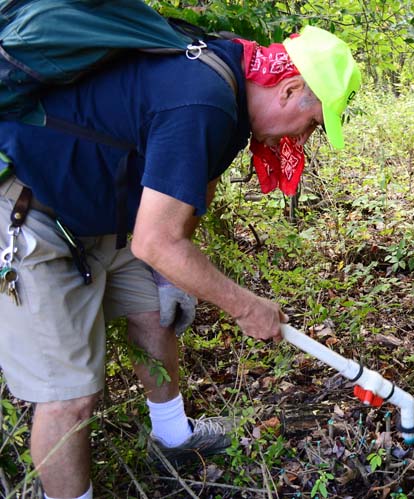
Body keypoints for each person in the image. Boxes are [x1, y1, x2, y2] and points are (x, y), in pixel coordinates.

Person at [0, 25, 361, 499]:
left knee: (155, 311)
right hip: (31, 212)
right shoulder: (205, 101)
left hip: (96, 214)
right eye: (313, 122)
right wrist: (246, 306)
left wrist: (170, 281)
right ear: (290, 89)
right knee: (69, 397)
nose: (305, 137)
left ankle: (172, 438)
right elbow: (156, 243)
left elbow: (192, 196)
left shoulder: (230, 79)